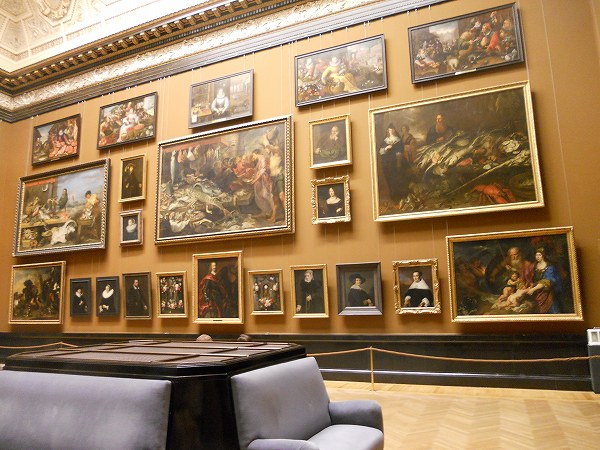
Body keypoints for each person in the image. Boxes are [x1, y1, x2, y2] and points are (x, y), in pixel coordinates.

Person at [379, 124, 410, 203]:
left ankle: (401, 196)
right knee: (390, 178)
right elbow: (380, 151)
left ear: (395, 131)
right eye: (389, 130)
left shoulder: (398, 140)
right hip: (388, 163)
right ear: (387, 131)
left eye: (392, 130)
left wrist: (398, 154)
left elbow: (401, 149)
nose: (391, 131)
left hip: (397, 162)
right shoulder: (385, 141)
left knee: (398, 178)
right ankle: (393, 196)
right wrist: (386, 148)